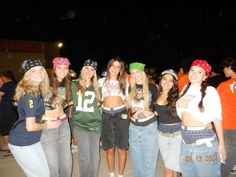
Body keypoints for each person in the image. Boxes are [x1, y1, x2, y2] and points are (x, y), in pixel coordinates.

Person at [8, 59, 62, 177]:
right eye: (33, 71)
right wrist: (47, 125)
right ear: (27, 75)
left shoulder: (37, 90)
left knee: (45, 173)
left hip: (33, 140)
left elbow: (37, 115)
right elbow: (30, 126)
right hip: (22, 142)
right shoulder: (30, 94)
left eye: (41, 70)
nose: (39, 73)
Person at [176, 59, 226, 177]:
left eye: (199, 72)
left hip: (203, 144)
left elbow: (217, 117)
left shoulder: (210, 91)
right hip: (185, 142)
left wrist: (222, 144)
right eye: (192, 70)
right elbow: (182, 113)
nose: (194, 73)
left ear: (205, 76)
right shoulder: (185, 89)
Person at [40, 57, 73, 177]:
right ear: (54, 68)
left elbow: (67, 103)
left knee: (67, 162)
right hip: (48, 126)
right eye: (59, 67)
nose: (62, 70)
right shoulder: (44, 82)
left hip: (64, 124)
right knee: (52, 165)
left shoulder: (68, 83)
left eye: (65, 68)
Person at [98, 57, 129, 177]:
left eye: (118, 66)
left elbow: (129, 99)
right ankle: (111, 174)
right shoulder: (101, 82)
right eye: (113, 66)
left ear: (121, 69)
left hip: (121, 114)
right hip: (106, 115)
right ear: (108, 67)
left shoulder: (124, 82)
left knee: (121, 148)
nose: (115, 69)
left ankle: (120, 175)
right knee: (109, 148)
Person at [70, 59, 102, 177]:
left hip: (95, 125)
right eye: (87, 68)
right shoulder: (74, 84)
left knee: (94, 157)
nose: (89, 71)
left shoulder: (99, 86)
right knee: (84, 157)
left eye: (92, 69)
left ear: (94, 72)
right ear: (82, 69)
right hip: (79, 125)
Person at [127, 62, 159, 177]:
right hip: (134, 127)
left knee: (149, 161)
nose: (135, 75)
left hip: (149, 128)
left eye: (137, 72)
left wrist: (155, 112)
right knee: (136, 161)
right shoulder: (131, 88)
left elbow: (159, 104)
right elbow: (129, 106)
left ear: (143, 73)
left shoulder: (152, 87)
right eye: (132, 73)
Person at [154, 69, 181, 177]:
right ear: (161, 80)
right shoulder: (156, 94)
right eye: (165, 79)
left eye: (171, 80)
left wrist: (205, 122)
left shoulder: (178, 97)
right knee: (172, 167)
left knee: (168, 169)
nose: (167, 82)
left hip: (176, 135)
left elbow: (190, 111)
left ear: (174, 83)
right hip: (162, 136)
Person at [217, 56, 236, 177]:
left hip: (227, 126)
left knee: (227, 156)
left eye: (225, 67)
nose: (224, 70)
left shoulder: (223, 86)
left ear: (230, 67)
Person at [0, 71, 18, 156]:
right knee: (12, 128)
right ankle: (9, 146)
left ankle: (9, 147)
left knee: (5, 128)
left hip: (6, 110)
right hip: (13, 109)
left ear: (4, 77)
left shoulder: (7, 85)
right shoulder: (15, 84)